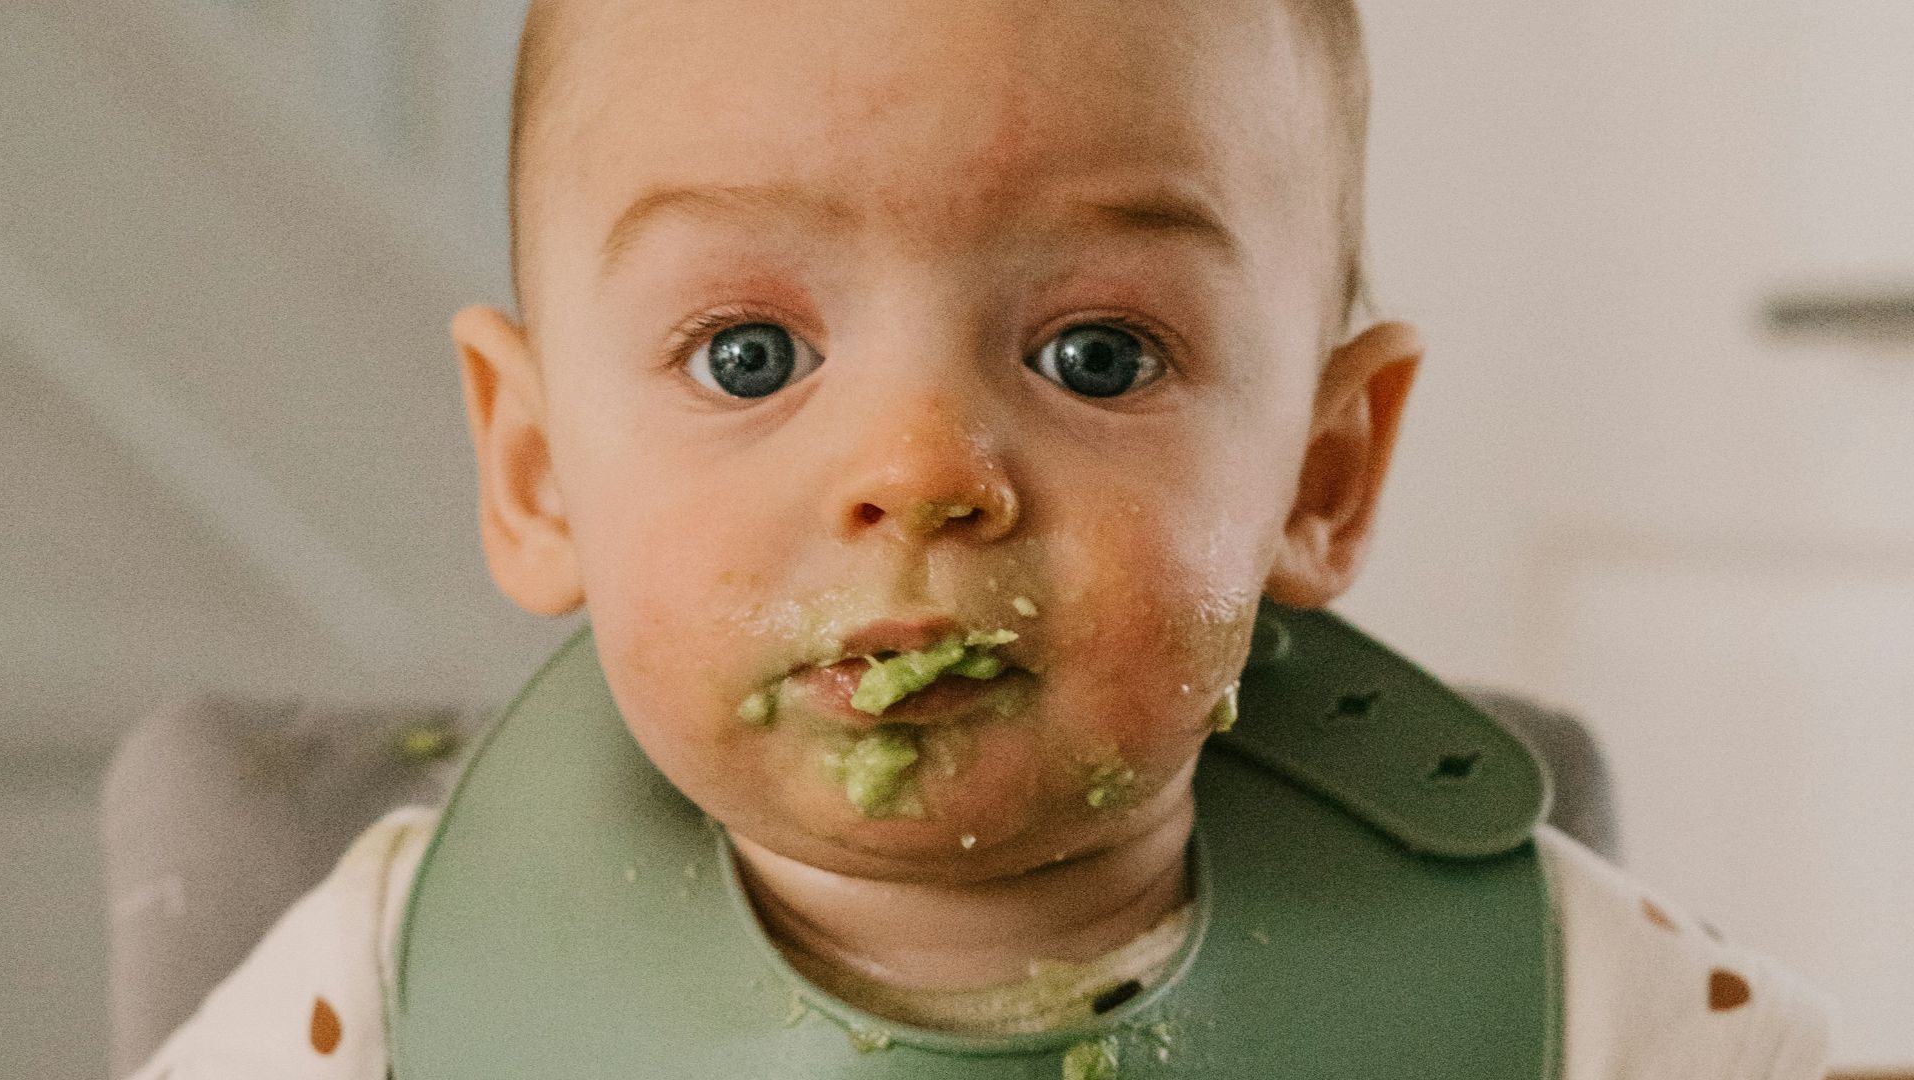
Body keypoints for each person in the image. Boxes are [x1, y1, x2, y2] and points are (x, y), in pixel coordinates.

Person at [124, 0, 1836, 1076]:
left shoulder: (1560, 992)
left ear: (1320, 477)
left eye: (1099, 357)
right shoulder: (399, 982)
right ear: (536, 472)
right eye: (750, 356)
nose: (920, 470)